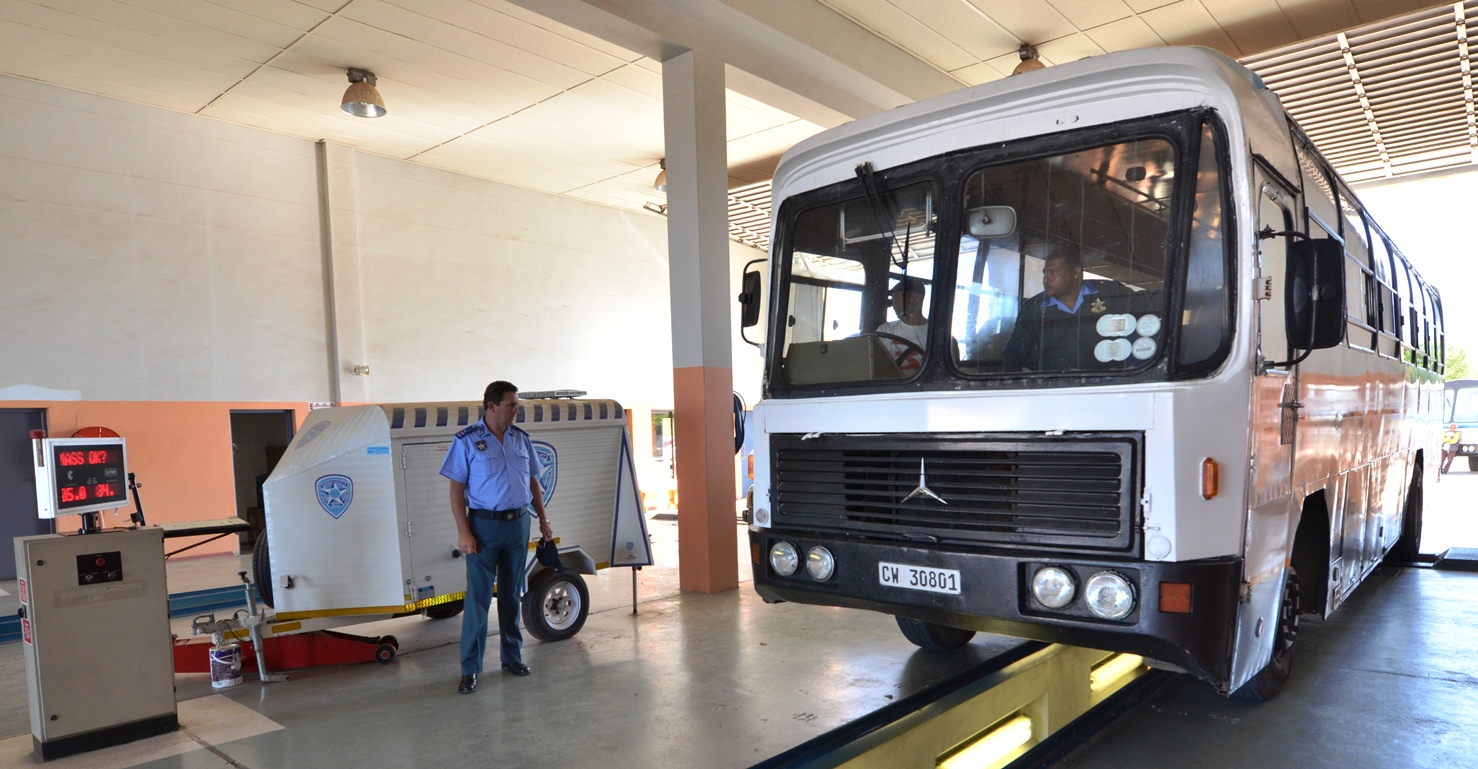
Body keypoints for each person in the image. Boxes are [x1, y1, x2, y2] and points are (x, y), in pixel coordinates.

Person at [441, 380, 554, 694]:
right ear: (491, 406)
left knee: (511, 595)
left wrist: (543, 519)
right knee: (477, 600)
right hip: (483, 528)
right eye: (511, 404)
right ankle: (470, 669)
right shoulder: (466, 441)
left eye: (516, 404)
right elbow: (456, 490)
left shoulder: (520, 439)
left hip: (518, 525)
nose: (516, 410)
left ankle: (511, 657)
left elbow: (532, 482)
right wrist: (464, 531)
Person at [1002, 242, 1144, 372]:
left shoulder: (1111, 293)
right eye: (1045, 272)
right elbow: (1013, 355)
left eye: (1054, 272)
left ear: (1076, 273)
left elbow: (1148, 305)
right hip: (1059, 390)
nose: (1046, 278)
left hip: (1108, 387)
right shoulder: (1034, 308)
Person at [875, 275, 929, 371]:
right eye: (892, 301)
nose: (894, 305)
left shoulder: (939, 337)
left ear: (916, 298)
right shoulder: (884, 331)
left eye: (897, 299)